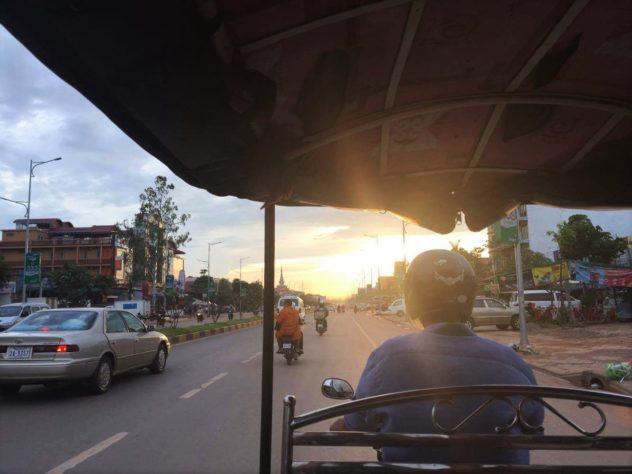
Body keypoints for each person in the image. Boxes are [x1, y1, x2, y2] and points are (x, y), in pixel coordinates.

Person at [330, 249, 543, 465]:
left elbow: (356, 425)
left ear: (413, 298)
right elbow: (533, 426)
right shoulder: (511, 360)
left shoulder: (388, 356)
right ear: (469, 300)